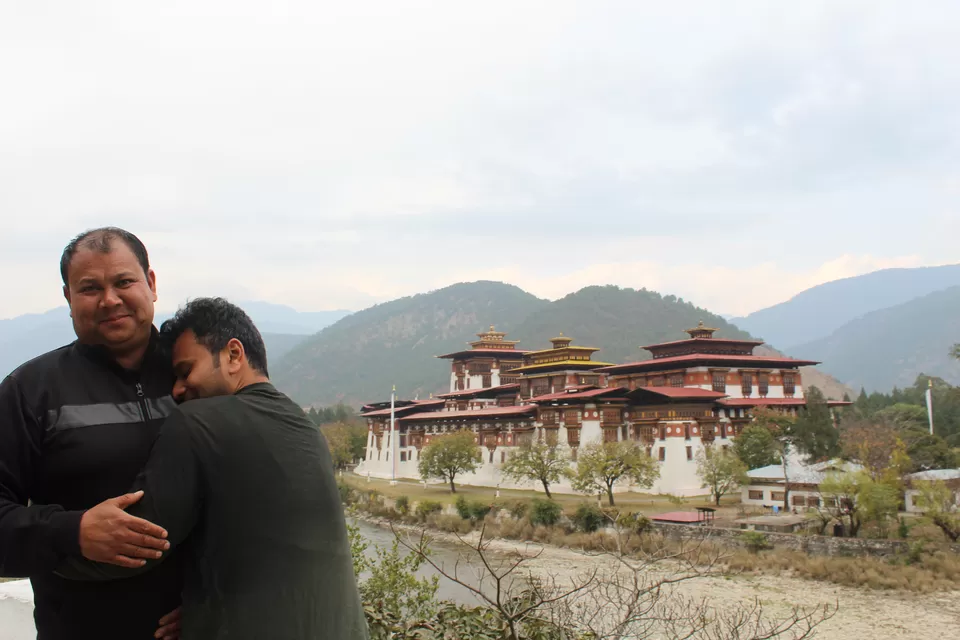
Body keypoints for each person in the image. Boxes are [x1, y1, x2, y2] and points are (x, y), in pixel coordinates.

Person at [57, 298, 369, 640]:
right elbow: (273, 547)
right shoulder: (306, 429)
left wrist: (46, 542)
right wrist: (208, 602)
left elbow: (137, 544)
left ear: (233, 355)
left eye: (186, 371)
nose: (177, 390)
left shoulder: (197, 422)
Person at [0, 227, 183, 639]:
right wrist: (72, 532)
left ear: (151, 284)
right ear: (68, 298)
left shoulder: (196, 375)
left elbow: (249, 497)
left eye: (124, 281)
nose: (110, 300)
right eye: (90, 288)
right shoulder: (30, 391)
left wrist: (216, 595)